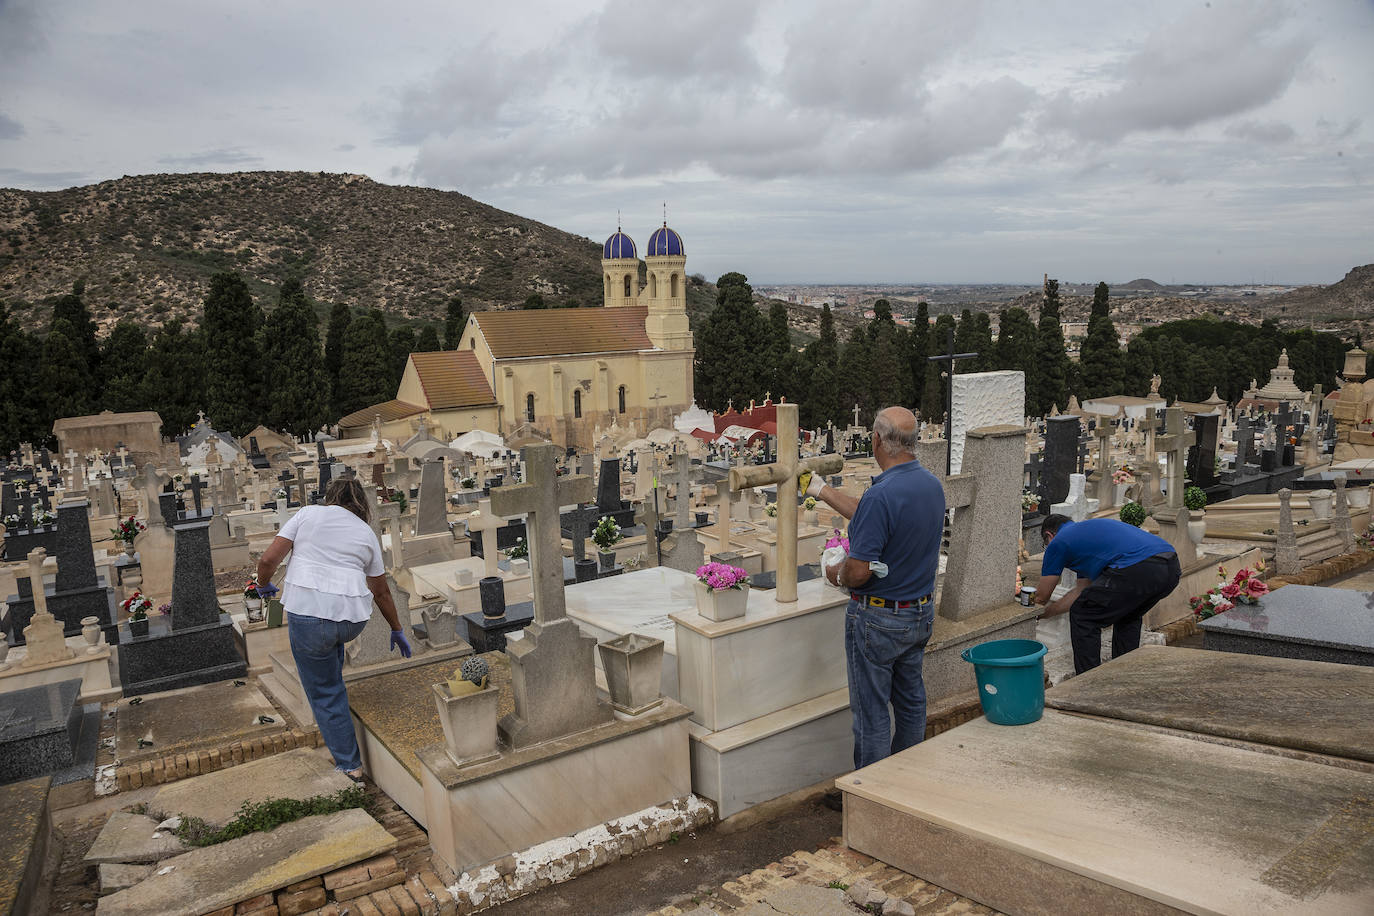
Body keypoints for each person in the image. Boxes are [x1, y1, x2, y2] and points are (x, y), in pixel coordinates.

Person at [802, 406, 945, 769]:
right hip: (919, 612)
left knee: (872, 714)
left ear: (877, 439)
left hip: (880, 618)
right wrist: (823, 491)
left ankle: (869, 794)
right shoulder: (929, 485)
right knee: (911, 702)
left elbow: (860, 571)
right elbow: (873, 514)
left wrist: (836, 572)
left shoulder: (883, 495)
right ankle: (903, 779)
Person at [255, 477, 411, 781]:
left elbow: (267, 559)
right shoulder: (366, 533)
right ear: (360, 505)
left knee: (325, 693)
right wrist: (396, 629)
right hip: (352, 620)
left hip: (310, 615)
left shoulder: (307, 515)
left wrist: (263, 585)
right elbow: (381, 591)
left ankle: (350, 766)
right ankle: (336, 699)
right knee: (330, 653)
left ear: (330, 497)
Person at [1033, 514, 1181, 674]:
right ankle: (1123, 674)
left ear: (1049, 535)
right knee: (1127, 616)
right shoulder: (1084, 538)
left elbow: (1041, 597)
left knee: (1083, 616)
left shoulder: (1059, 542)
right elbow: (1079, 592)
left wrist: (1032, 611)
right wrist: (1048, 613)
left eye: (1045, 544)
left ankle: (1087, 680)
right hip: (1170, 566)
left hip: (1139, 567)